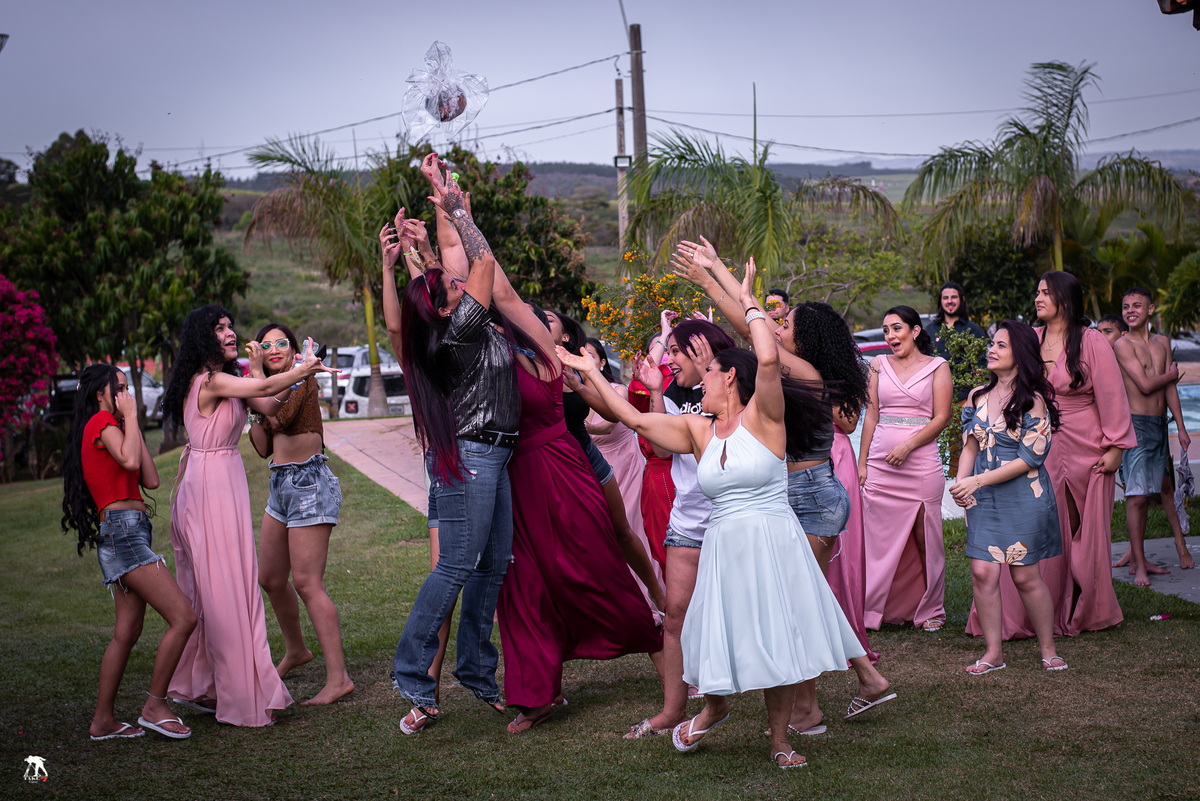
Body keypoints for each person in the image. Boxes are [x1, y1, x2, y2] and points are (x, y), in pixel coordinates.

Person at [561, 258, 886, 770]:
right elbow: (631, 418)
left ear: (728, 377)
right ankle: (713, 710)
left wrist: (742, 293)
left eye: (708, 371)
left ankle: (781, 741)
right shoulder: (697, 430)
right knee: (716, 636)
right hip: (722, 547)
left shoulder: (766, 416)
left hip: (775, 540)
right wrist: (592, 377)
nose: (697, 378)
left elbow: (769, 357)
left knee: (778, 639)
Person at [670, 238, 890, 734]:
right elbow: (746, 322)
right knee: (803, 598)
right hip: (810, 492)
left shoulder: (802, 371)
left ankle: (839, 693)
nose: (777, 326)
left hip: (810, 494)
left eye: (786, 324)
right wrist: (713, 281)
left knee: (799, 605)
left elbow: (750, 322)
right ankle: (855, 684)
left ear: (805, 341)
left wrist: (718, 278)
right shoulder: (800, 374)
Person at [494, 290, 663, 733]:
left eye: (547, 318)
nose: (542, 323)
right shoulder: (497, 358)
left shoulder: (557, 360)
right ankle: (540, 690)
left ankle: (658, 613)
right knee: (529, 582)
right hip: (520, 474)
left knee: (615, 545)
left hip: (578, 460)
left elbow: (611, 412)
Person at [388, 169, 520, 734]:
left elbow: (436, 285)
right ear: (445, 308)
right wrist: (458, 211)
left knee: (492, 565)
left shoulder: (455, 322)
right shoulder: (460, 331)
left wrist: (417, 251)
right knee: (459, 565)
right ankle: (413, 673)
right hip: (475, 455)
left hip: (493, 455)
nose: (463, 283)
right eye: (453, 286)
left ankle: (475, 671)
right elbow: (483, 265)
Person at [162, 305, 331, 726]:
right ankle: (241, 695)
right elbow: (272, 387)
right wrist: (304, 368)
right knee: (225, 593)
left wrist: (270, 370)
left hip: (222, 481)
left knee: (230, 587)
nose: (230, 332)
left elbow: (269, 405)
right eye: (219, 329)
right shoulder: (210, 380)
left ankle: (213, 685)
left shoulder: (225, 380)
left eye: (229, 326)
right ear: (204, 339)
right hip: (209, 489)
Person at [61, 364, 197, 741]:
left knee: (127, 632)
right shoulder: (99, 423)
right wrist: (131, 418)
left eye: (127, 389)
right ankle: (154, 706)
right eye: (118, 389)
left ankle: (102, 721)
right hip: (123, 533)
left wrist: (130, 423)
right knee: (184, 618)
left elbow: (149, 478)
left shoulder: (117, 427)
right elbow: (130, 461)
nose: (126, 395)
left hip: (131, 531)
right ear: (99, 395)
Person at [619, 316, 735, 739]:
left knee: (743, 613)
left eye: (674, 351)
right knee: (676, 617)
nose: (668, 359)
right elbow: (657, 446)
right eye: (666, 351)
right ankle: (672, 709)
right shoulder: (668, 388)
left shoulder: (734, 384)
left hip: (733, 520)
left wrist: (713, 365)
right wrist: (653, 391)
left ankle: (789, 709)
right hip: (687, 519)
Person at [951, 321, 1067, 673]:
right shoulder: (976, 397)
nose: (992, 349)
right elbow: (970, 445)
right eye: (992, 343)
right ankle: (993, 653)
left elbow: (1030, 458)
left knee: (1024, 576)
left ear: (1020, 353)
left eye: (1001, 345)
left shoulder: (1033, 402)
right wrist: (960, 483)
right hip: (984, 499)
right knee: (983, 574)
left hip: (1024, 498)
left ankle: (1048, 649)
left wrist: (977, 482)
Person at [246, 322, 353, 705]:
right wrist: (257, 400)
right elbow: (261, 446)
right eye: (266, 344)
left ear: (293, 350)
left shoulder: (303, 375)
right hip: (280, 485)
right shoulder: (268, 388)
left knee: (308, 582)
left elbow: (283, 418)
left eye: (281, 344)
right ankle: (296, 650)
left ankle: (338, 678)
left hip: (309, 482)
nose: (274, 349)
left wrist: (258, 382)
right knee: (271, 578)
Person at [1030, 272, 1136, 637]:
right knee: (1046, 523)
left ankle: (1082, 601)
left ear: (1064, 298)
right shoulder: (1033, 338)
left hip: (1086, 442)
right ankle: (1048, 601)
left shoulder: (1091, 341)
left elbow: (1111, 393)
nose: (1038, 297)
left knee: (1080, 524)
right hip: (1040, 443)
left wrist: (1117, 446)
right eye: (1038, 292)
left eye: (1045, 292)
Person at [859, 306, 952, 631]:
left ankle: (931, 609)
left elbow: (942, 417)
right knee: (877, 537)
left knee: (926, 536)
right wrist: (862, 463)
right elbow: (870, 416)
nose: (890, 336)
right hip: (881, 467)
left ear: (914, 331)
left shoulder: (938, 366)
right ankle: (873, 609)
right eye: (885, 331)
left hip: (920, 463)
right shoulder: (877, 365)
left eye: (896, 328)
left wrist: (909, 445)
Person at [1112, 287, 1194, 583]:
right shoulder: (1123, 345)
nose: (1130, 310)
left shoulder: (1162, 342)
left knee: (1154, 493)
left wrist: (1181, 428)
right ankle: (1140, 567)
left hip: (1159, 425)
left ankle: (1147, 557)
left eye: (1136, 305)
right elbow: (1147, 385)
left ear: (1150, 310)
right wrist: (1170, 375)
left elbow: (1168, 388)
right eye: (1125, 306)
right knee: (1136, 497)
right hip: (1136, 425)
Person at [584, 337, 665, 612]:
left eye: (591, 355)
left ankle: (645, 596)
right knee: (597, 531)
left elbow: (607, 426)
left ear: (603, 362)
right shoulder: (576, 392)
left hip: (624, 465)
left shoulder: (617, 390)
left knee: (629, 527)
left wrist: (574, 424)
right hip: (592, 466)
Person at [931, 281, 987, 362]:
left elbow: (980, 367)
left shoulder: (974, 330)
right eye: (945, 298)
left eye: (954, 297)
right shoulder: (930, 330)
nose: (949, 301)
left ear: (962, 299)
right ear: (940, 301)